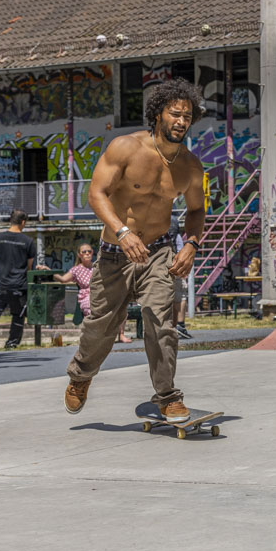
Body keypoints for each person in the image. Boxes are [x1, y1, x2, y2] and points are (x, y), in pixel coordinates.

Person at [64, 79, 206, 424]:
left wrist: (191, 243)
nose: (181, 121)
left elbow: (197, 210)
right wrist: (122, 231)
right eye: (175, 113)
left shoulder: (190, 166)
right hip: (115, 253)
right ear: (158, 114)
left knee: (161, 322)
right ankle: (81, 375)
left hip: (158, 252)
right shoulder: (125, 148)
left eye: (187, 116)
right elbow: (97, 194)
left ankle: (167, 395)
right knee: (102, 327)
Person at [0, 208, 46, 351]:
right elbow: (29, 267)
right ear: (23, 222)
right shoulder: (28, 242)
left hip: (0, 283)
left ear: (10, 220)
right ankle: (12, 343)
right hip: (19, 286)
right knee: (18, 314)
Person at [169, 212, 192, 340]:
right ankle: (179, 325)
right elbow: (179, 246)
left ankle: (170, 326)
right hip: (175, 262)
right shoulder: (174, 223)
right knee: (180, 296)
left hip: (159, 263)